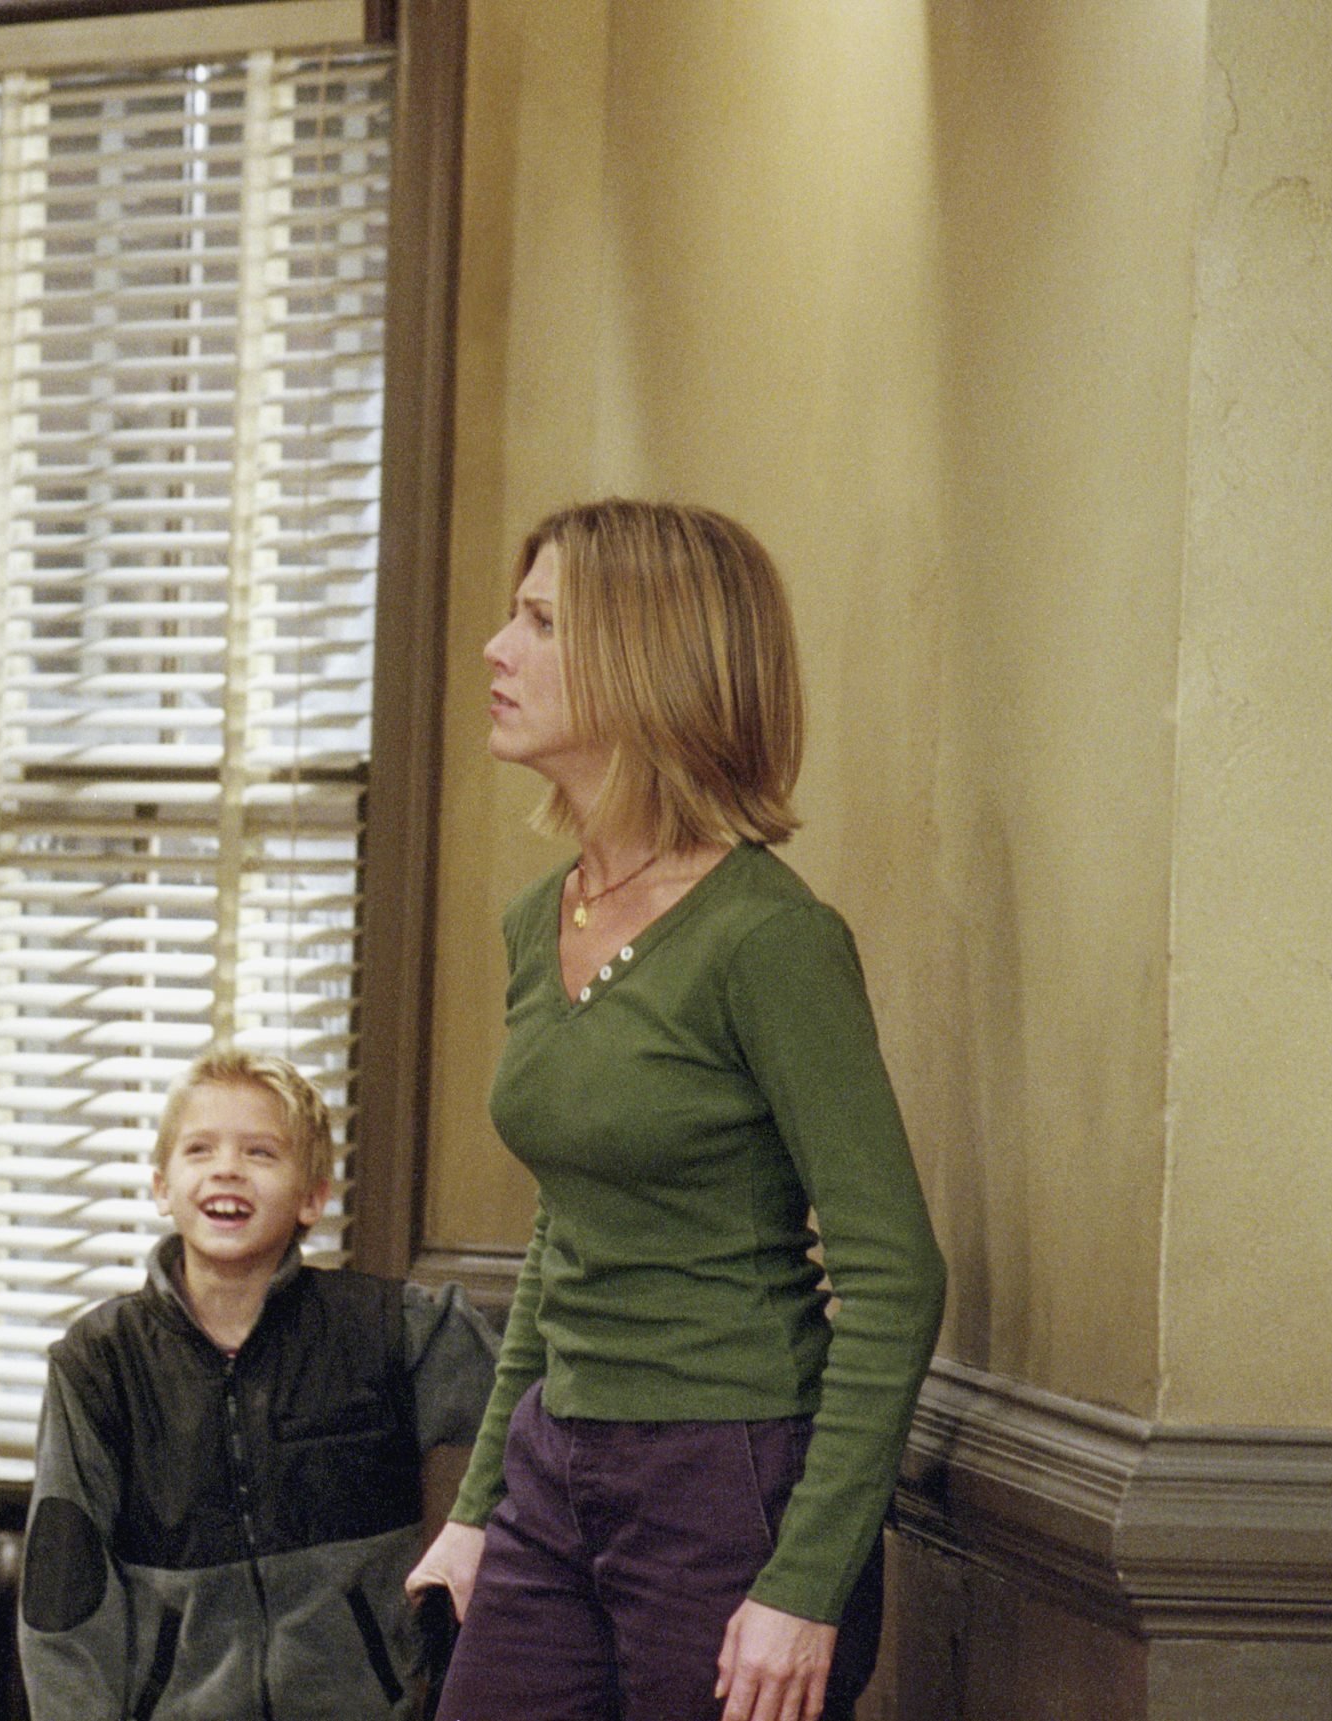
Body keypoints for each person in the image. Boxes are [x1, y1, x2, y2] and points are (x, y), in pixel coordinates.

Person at [404, 500, 945, 1721]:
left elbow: (896, 1273)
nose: (495, 647)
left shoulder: (769, 937)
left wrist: (804, 1581)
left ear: (647, 660)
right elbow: (565, 1231)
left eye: (540, 622)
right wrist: (478, 1507)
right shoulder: (541, 918)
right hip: (555, 1461)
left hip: (728, 1476)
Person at [19, 1049, 499, 1721]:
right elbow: (62, 1603)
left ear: (313, 1197)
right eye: (199, 1149)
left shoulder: (397, 1331)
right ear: (161, 1186)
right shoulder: (98, 1364)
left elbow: (522, 1434)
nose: (227, 1168)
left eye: (260, 1152)